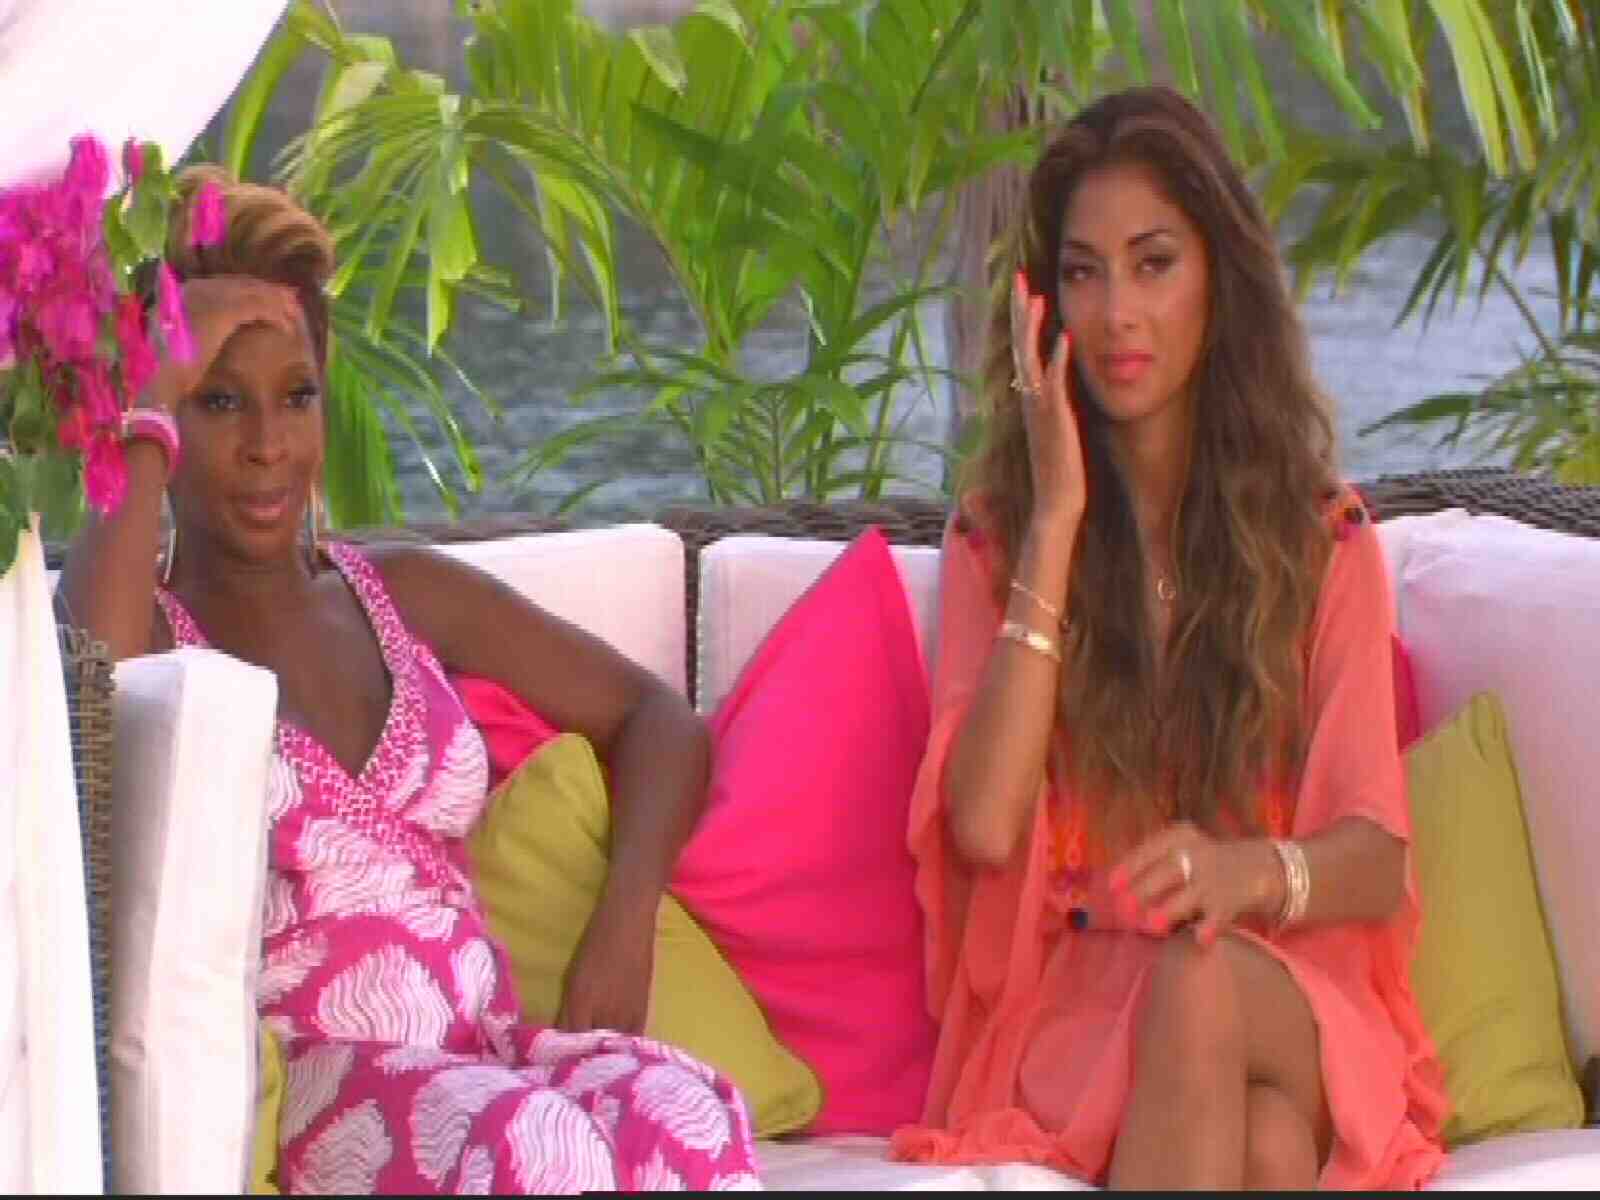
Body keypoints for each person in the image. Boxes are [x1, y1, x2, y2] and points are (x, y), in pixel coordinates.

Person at [57, 168, 761, 1193]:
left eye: (296, 396)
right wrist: (149, 384)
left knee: (686, 1113)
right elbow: (84, 687)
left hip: (488, 1056)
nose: (267, 446)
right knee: (540, 1144)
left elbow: (661, 721)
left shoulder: (402, 595)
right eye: (218, 401)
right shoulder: (153, 638)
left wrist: (621, 925)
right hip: (321, 1085)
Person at [888, 86, 1449, 1190]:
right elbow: (986, 825)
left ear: (1217, 280)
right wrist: (1056, 519)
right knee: (1268, 1149)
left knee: (1199, 979)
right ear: (1044, 306)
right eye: (1083, 273)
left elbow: (1376, 858)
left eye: (1153, 265)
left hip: (1284, 988)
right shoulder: (999, 541)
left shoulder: (1318, 543)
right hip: (1078, 1014)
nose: (1117, 315)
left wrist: (1239, 873)